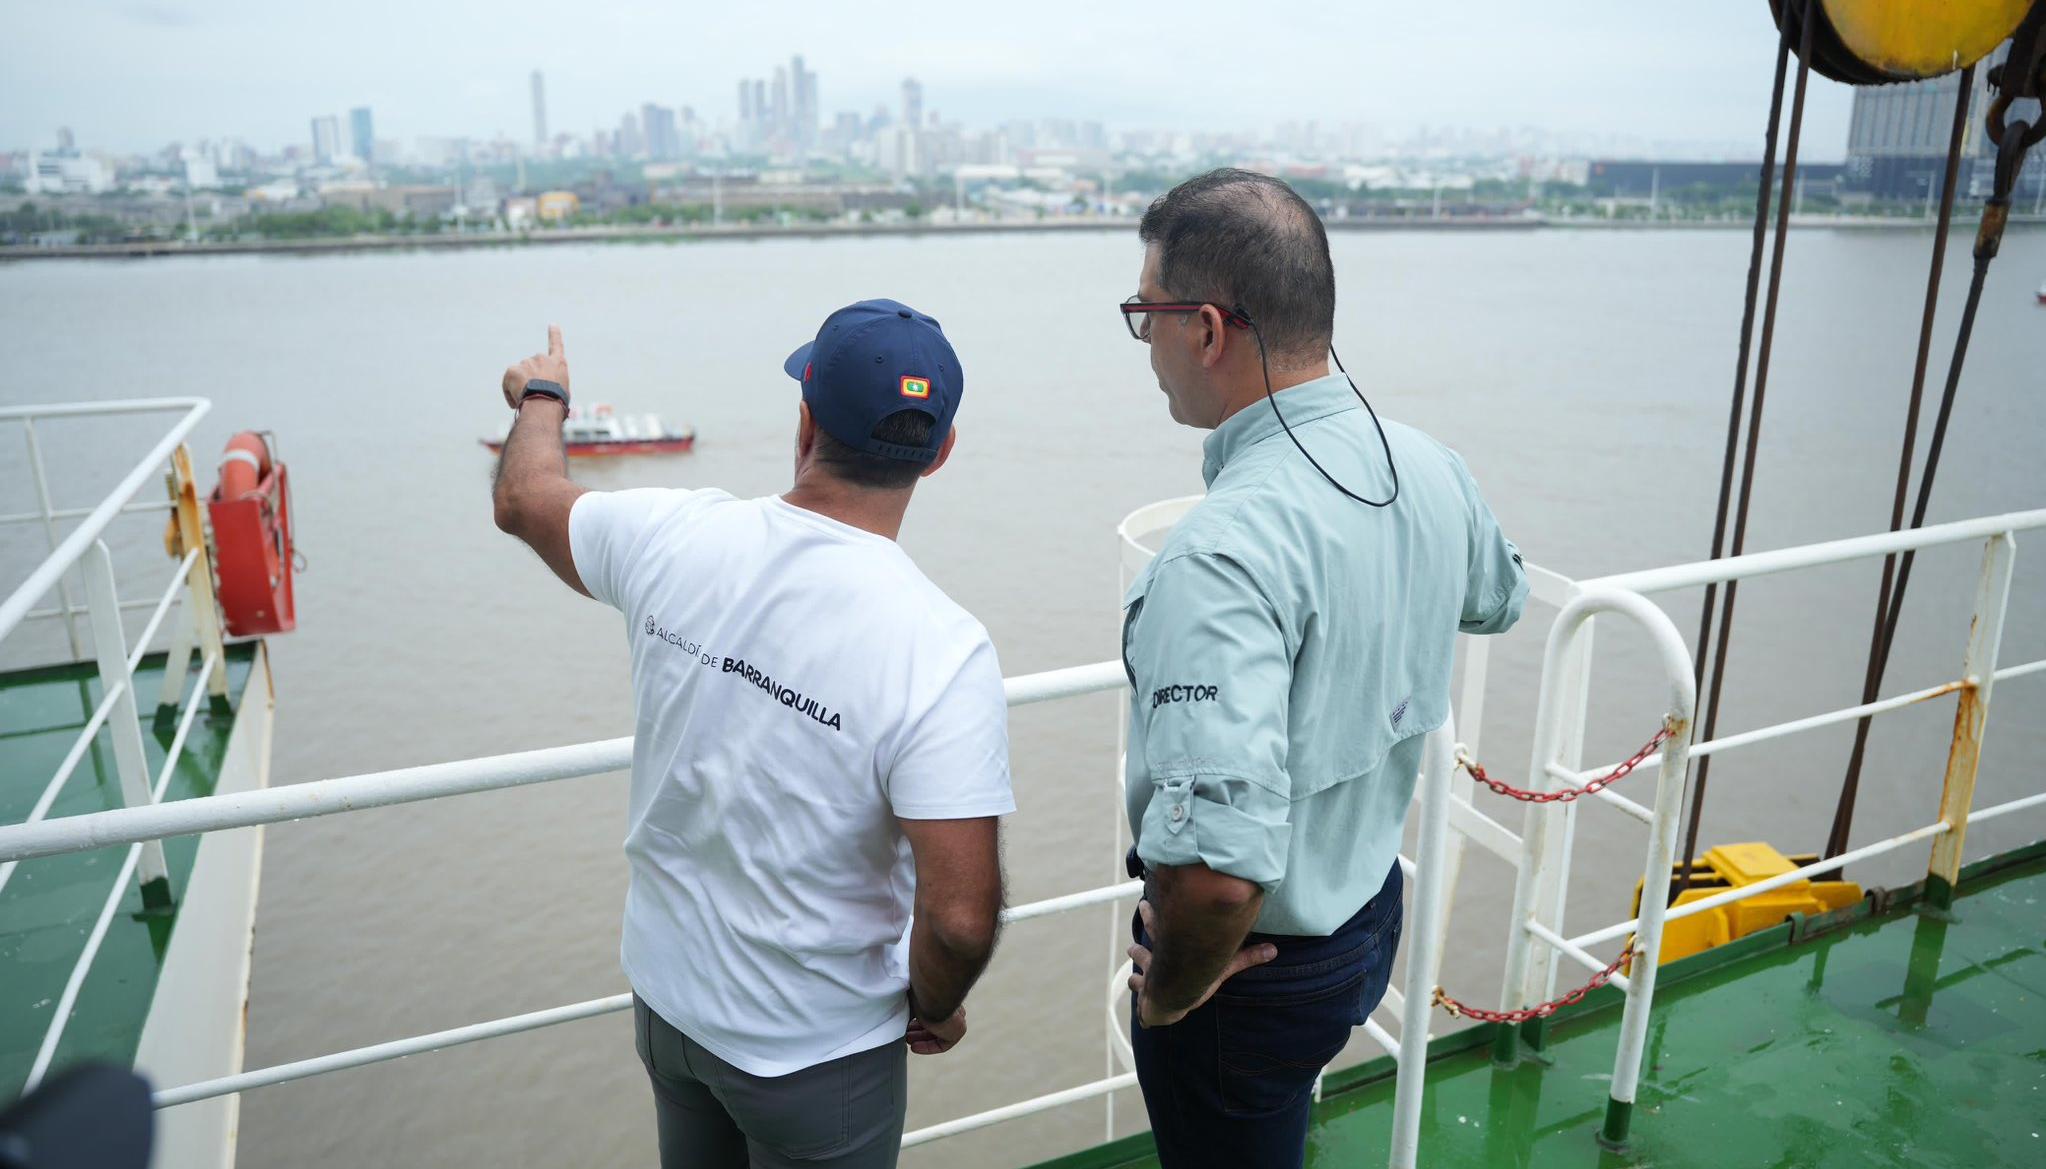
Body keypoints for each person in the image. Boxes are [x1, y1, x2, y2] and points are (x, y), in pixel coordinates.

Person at [491, 301, 1012, 1169]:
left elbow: (523, 497)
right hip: (819, 1051)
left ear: (804, 420)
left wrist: (542, 393)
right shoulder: (941, 646)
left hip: (669, 1009)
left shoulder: (672, 535)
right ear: (941, 451)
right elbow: (959, 919)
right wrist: (935, 1001)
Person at [1117, 169, 1528, 1168]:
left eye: (1146, 315)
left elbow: (1215, 880)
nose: (1147, 343)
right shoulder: (1429, 464)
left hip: (1246, 973)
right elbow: (1499, 596)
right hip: (1364, 914)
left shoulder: (1220, 553)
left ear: (1207, 329)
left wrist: (1169, 992)